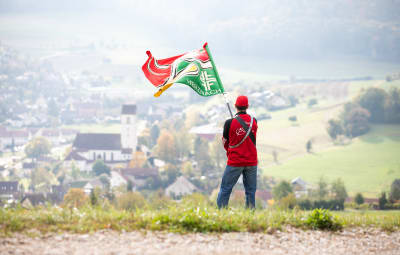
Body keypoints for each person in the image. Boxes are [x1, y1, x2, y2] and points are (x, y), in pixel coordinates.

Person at [217, 95, 258, 209]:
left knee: (225, 189)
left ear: (235, 106)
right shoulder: (254, 121)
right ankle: (250, 215)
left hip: (235, 162)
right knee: (250, 191)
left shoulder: (229, 123)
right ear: (247, 106)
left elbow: (225, 142)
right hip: (251, 161)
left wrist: (230, 151)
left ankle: (221, 213)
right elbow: (251, 141)